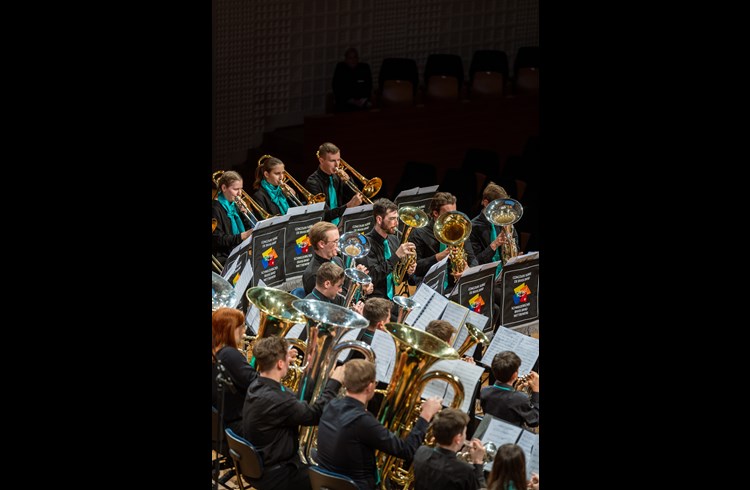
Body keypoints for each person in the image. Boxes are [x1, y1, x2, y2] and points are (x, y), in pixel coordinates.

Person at [315, 359, 443, 490]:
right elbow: (407, 451)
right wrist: (425, 415)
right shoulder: (364, 421)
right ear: (370, 386)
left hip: (325, 482)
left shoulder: (330, 405)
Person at [241, 336, 345, 490]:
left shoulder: (256, 385)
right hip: (278, 474)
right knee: (334, 478)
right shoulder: (279, 400)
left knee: (318, 457)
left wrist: (310, 371)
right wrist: (334, 383)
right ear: (280, 363)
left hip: (257, 466)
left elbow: (294, 400)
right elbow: (315, 414)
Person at [410, 192, 477, 288]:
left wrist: (468, 270)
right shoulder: (419, 234)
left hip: (456, 285)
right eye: (448, 214)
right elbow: (415, 268)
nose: (452, 218)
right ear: (435, 213)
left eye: (454, 213)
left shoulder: (459, 229)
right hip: (430, 286)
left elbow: (473, 258)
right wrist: (438, 257)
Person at [359, 198, 417, 304]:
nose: (396, 223)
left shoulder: (394, 239)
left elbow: (397, 276)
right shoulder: (365, 245)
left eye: (397, 218)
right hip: (375, 302)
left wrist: (408, 271)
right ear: (379, 219)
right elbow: (372, 276)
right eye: (392, 219)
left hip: (392, 298)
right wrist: (396, 256)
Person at [412, 408, 486, 490]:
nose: (465, 436)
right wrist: (478, 462)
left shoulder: (421, 452)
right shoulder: (465, 471)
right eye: (465, 433)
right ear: (458, 438)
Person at [211, 307, 257, 437]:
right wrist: (276, 362)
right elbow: (259, 384)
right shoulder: (229, 355)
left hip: (222, 427)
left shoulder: (216, 353)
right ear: (230, 329)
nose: (244, 331)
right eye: (241, 327)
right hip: (237, 427)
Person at [305, 142, 363, 225]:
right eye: (332, 161)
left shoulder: (338, 177)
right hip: (323, 228)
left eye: (338, 160)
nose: (337, 164)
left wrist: (348, 181)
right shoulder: (313, 182)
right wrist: (348, 206)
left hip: (342, 223)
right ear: (321, 160)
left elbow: (357, 198)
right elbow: (325, 215)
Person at [480, 351, 539, 429]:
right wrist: (536, 391)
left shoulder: (484, 391)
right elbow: (534, 421)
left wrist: (517, 391)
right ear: (515, 374)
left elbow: (506, 401)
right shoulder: (520, 398)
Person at [469, 182, 520, 269]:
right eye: (498, 206)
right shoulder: (473, 227)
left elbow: (516, 247)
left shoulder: (505, 220)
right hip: (486, 276)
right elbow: (475, 263)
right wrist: (494, 245)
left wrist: (515, 253)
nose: (502, 210)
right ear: (486, 203)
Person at [212, 170, 255, 266]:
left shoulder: (235, 205)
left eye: (241, 189)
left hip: (240, 249)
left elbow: (247, 229)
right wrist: (241, 237)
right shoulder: (215, 209)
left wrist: (244, 214)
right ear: (224, 188)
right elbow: (217, 239)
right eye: (236, 189)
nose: (240, 193)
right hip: (224, 254)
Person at [332, 47, 373, 112]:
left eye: (355, 57)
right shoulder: (340, 69)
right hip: (345, 103)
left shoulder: (364, 68)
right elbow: (337, 88)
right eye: (350, 58)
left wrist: (361, 100)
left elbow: (368, 86)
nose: (353, 60)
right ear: (346, 60)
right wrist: (351, 100)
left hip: (361, 103)